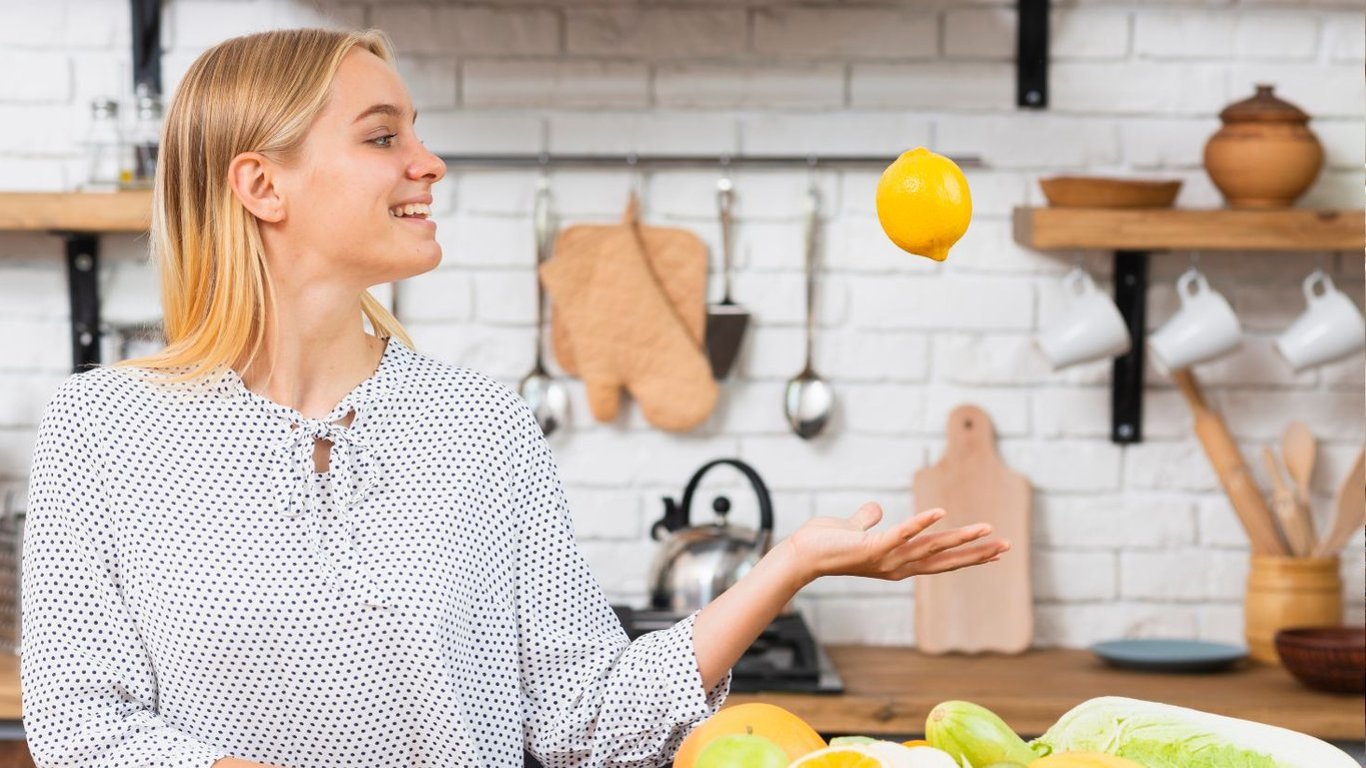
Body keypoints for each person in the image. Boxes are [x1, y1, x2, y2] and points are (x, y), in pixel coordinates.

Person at [20, 27, 1010, 768]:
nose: (429, 162)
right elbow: (81, 729)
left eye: (418, 133)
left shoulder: (481, 425)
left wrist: (786, 567)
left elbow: (583, 718)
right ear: (260, 186)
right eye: (381, 137)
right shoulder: (97, 432)